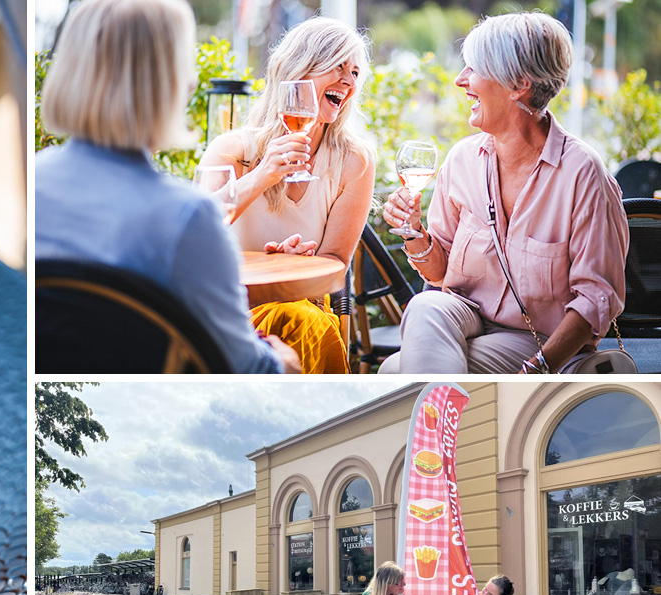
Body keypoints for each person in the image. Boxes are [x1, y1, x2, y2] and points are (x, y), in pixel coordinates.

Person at [34, 0, 300, 373]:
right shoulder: (188, 219)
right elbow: (245, 369)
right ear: (174, 85)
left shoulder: (25, 190)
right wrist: (285, 361)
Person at [379, 11, 628, 374]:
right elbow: (440, 275)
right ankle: (446, 428)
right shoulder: (462, 160)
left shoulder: (584, 175)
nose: (460, 80)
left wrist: (537, 369)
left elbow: (595, 300)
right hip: (467, 321)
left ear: (518, 85)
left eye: (473, 69)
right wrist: (415, 234)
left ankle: (442, 428)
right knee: (425, 306)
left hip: (543, 343)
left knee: (392, 372)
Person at [199, 17, 377, 373]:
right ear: (298, 71)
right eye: (338, 66)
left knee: (298, 318)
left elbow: (335, 264)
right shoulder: (232, 150)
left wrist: (298, 265)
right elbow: (197, 233)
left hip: (307, 304)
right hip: (232, 306)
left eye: (355, 73)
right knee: (293, 322)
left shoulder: (355, 161)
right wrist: (263, 175)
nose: (348, 81)